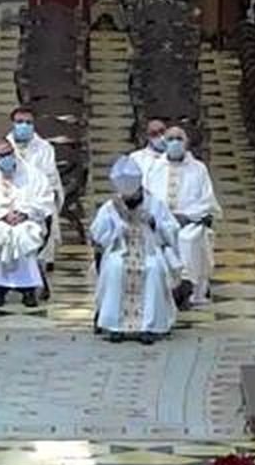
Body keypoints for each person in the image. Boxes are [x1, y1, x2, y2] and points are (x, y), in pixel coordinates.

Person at [91, 156, 182, 343]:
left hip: (149, 250)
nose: (129, 200)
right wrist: (116, 229)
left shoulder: (155, 204)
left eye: (132, 196)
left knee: (154, 269)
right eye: (126, 197)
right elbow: (98, 234)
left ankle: (150, 326)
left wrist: (154, 223)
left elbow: (172, 229)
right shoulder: (111, 207)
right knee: (115, 267)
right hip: (120, 250)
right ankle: (114, 325)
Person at [0, 137, 53, 308]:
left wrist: (24, 213)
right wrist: (2, 215)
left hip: (27, 221)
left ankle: (28, 289)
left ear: (13, 153)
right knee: (0, 234)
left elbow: (45, 201)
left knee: (22, 235)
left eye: (8, 153)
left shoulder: (33, 175)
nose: (6, 158)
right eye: (1, 156)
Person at [141, 126, 220, 305]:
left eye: (179, 138)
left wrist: (186, 216)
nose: (175, 143)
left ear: (186, 143)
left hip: (189, 222)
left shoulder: (198, 169)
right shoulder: (154, 168)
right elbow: (146, 197)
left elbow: (207, 201)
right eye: (170, 139)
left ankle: (188, 288)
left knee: (188, 239)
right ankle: (159, 288)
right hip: (159, 222)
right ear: (164, 143)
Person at [3, 107, 63, 266]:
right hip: (7, 201)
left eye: (28, 122)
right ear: (12, 124)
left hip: (35, 201)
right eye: (19, 122)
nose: (23, 126)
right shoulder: (1, 147)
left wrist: (27, 210)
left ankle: (39, 263)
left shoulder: (45, 149)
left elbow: (50, 180)